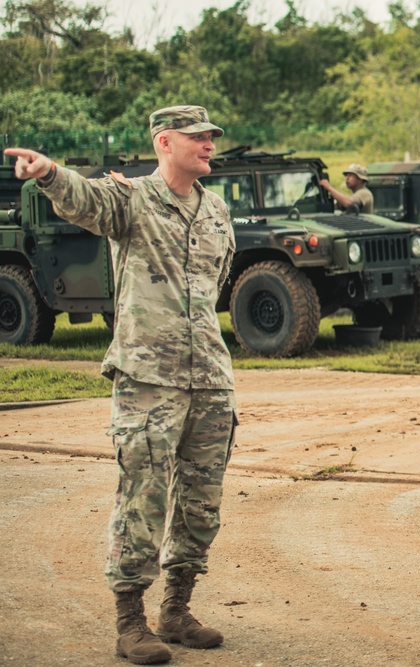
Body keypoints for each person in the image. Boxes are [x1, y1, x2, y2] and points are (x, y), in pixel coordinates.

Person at [5, 105, 237, 666]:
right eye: (198, 137)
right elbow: (83, 198)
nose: (209, 144)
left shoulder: (217, 209)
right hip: (148, 379)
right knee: (144, 496)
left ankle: (177, 610)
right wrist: (48, 172)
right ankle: (130, 621)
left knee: (201, 503)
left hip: (209, 377)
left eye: (211, 137)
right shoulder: (130, 200)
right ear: (165, 142)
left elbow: (215, 282)